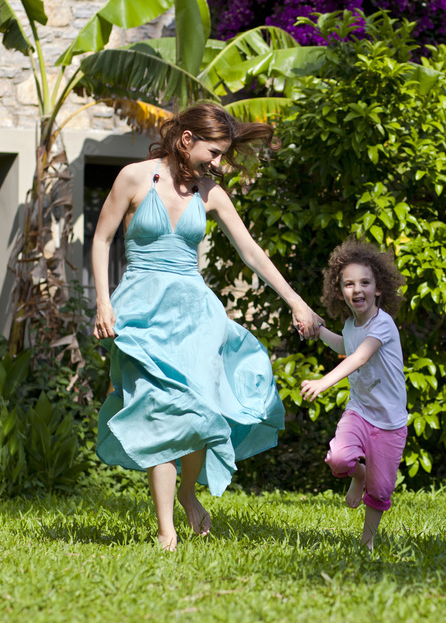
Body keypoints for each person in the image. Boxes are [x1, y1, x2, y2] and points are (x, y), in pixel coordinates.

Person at [92, 101, 322, 551]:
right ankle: (166, 533)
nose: (218, 163)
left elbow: (251, 252)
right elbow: (101, 239)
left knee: (200, 410)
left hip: (194, 314)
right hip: (140, 312)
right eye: (213, 153)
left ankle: (188, 490)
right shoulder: (135, 178)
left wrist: (297, 301)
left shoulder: (210, 192)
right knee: (159, 410)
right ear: (186, 140)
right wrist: (103, 302)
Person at [300, 239, 408, 549]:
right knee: (339, 458)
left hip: (389, 422)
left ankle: (367, 542)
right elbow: (345, 346)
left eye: (364, 282)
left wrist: (324, 382)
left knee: (382, 488)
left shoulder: (383, 325)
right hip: (359, 412)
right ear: (340, 292)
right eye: (349, 284)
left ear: (378, 289)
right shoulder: (350, 325)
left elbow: (359, 357)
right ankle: (357, 474)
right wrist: (319, 331)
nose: (357, 289)